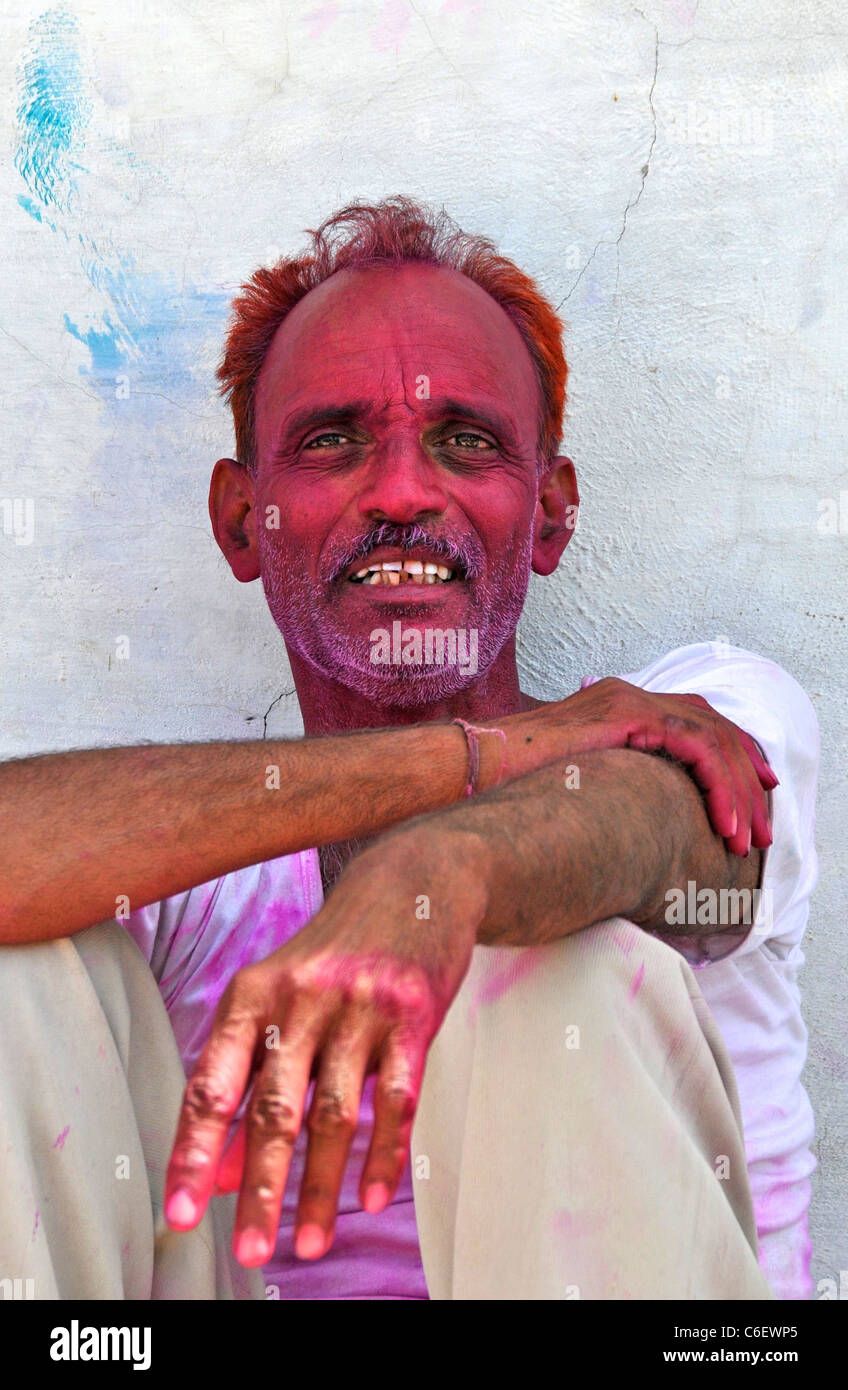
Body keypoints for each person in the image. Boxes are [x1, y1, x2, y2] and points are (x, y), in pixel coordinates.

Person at [0, 197, 818, 1301]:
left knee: (565, 953)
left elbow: (668, 832)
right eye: (332, 440)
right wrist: (465, 765)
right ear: (244, 521)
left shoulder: (696, 710)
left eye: (464, 442)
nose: (399, 492)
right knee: (27, 959)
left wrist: (441, 871)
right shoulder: (204, 868)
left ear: (549, 517)